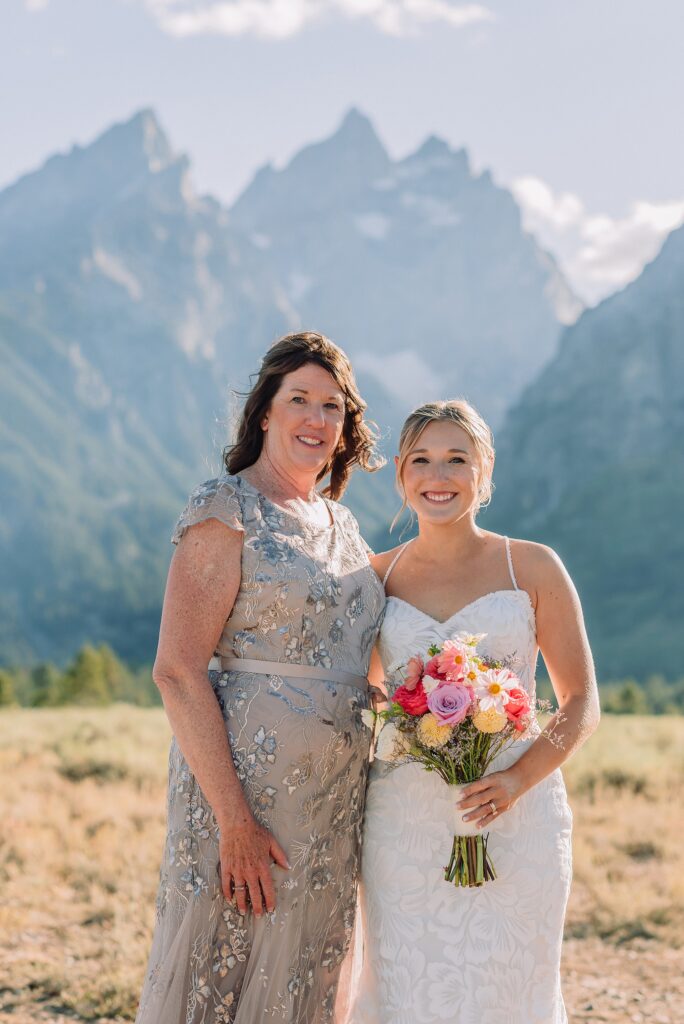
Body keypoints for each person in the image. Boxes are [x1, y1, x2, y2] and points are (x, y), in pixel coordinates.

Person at [136, 332, 386, 1024]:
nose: (316, 418)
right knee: (226, 964)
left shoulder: (344, 524)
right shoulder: (227, 510)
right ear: (265, 415)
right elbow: (178, 671)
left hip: (333, 808)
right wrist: (234, 820)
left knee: (306, 970)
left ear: (345, 428)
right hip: (244, 797)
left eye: (332, 407)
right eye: (299, 400)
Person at [350, 400, 600, 1024]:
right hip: (405, 823)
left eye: (457, 459)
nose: (440, 475)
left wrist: (517, 780)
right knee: (408, 988)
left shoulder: (533, 566)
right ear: (402, 476)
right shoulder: (376, 577)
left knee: (511, 989)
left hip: (518, 817)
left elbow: (581, 702)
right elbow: (363, 700)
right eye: (423, 461)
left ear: (484, 472)